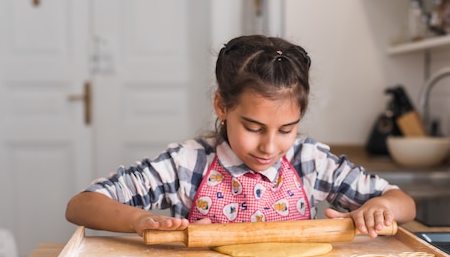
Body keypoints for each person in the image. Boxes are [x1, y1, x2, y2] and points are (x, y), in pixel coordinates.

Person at [65, 35, 416, 238]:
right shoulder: (188, 165)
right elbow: (81, 205)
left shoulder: (309, 161)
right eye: (253, 127)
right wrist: (139, 220)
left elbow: (403, 202)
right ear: (221, 106)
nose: (269, 146)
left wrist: (379, 208)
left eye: (286, 129)